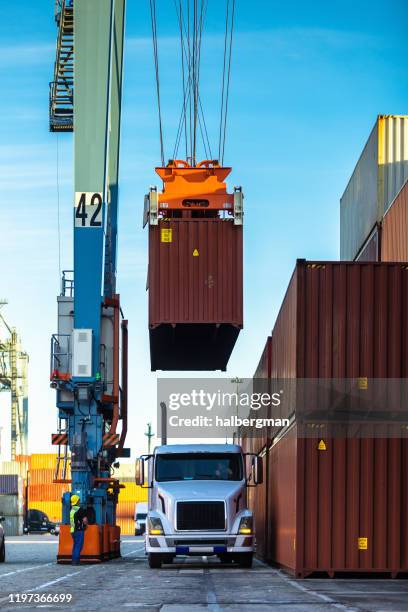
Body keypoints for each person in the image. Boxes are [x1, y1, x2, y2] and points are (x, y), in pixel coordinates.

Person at [70, 494, 88, 565]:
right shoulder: (80, 509)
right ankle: (75, 561)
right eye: (79, 500)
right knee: (79, 546)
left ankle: (74, 560)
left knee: (75, 546)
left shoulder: (72, 509)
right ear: (77, 501)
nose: (80, 501)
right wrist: (86, 525)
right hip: (79, 530)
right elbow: (85, 520)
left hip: (72, 530)